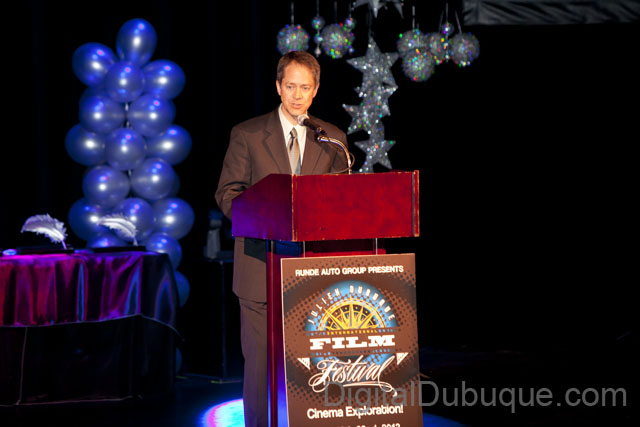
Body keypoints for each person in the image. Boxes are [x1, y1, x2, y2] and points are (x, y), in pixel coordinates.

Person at [215, 50, 348, 426]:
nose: (297, 95)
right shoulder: (248, 134)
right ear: (278, 86)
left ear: (316, 90)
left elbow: (342, 202)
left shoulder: (332, 139)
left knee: (316, 363)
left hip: (313, 271)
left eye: (305, 87)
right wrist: (265, 219)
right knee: (261, 365)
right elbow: (228, 193)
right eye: (290, 86)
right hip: (260, 265)